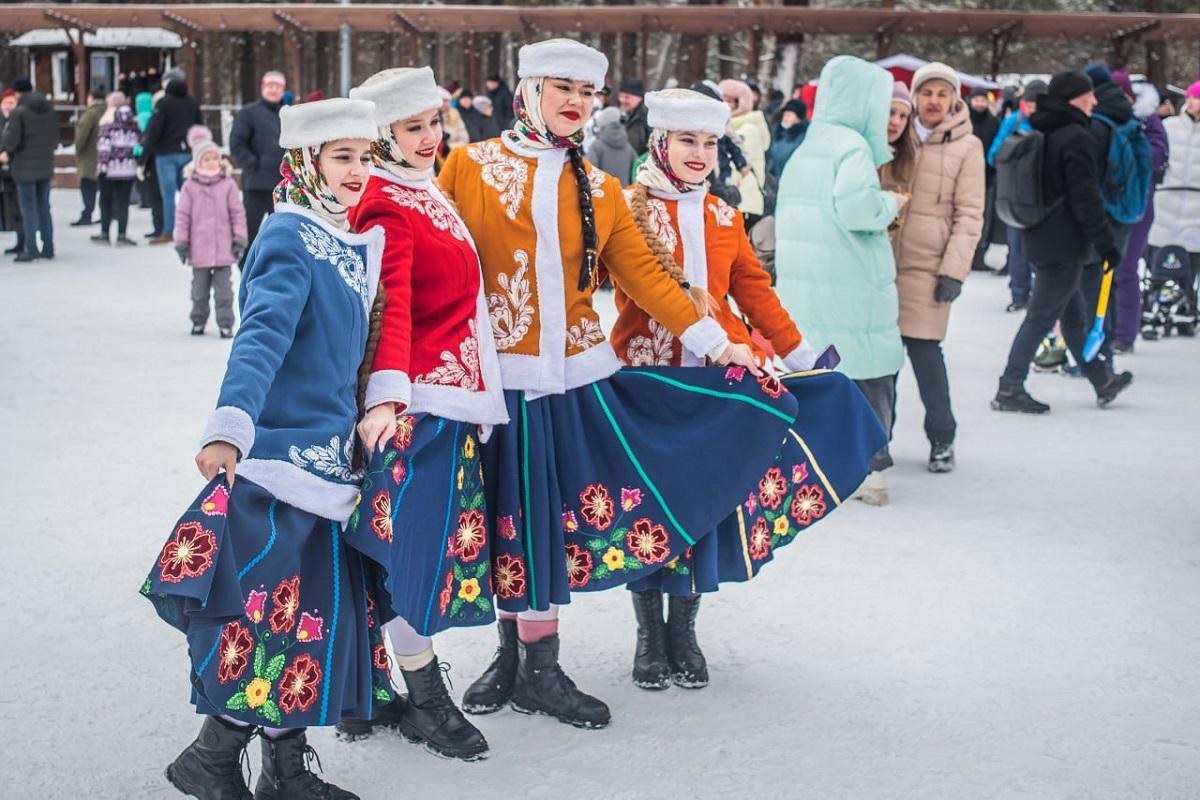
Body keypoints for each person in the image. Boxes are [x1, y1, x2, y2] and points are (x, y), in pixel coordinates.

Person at [438, 38, 795, 730]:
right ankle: (509, 658)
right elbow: (434, 261)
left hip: (569, 387)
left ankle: (541, 668)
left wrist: (724, 345)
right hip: (486, 384)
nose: (576, 103)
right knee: (496, 522)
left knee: (542, 526)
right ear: (530, 89)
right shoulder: (468, 165)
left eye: (588, 92)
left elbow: (651, 281)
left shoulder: (601, 190)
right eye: (563, 88)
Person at [140, 97, 383, 800]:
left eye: (365, 157)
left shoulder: (342, 239)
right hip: (281, 470)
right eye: (341, 157)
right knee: (267, 625)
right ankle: (211, 759)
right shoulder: (290, 236)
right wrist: (230, 427)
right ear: (305, 162)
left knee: (308, 622)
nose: (357, 171)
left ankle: (283, 769)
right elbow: (260, 337)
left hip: (331, 467)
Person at [609, 88, 882, 689]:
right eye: (687, 141)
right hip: (649, 380)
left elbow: (757, 295)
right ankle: (649, 636)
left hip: (720, 385)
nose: (700, 153)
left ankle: (684, 630)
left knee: (704, 502)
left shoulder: (724, 217)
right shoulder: (624, 210)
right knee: (647, 507)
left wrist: (802, 358)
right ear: (660, 143)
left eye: (710, 143)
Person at [334, 66, 509, 760]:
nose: (430, 136)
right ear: (382, 134)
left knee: (398, 552)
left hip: (444, 397)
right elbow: (392, 309)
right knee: (412, 558)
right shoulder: (385, 202)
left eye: (434, 121)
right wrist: (389, 399)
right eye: (413, 127)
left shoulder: (419, 187)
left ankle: (366, 690)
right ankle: (427, 701)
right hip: (417, 409)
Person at [777, 57, 907, 507]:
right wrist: (890, 204)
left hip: (809, 291)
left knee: (824, 380)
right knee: (871, 379)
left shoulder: (808, 146)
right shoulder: (852, 147)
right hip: (853, 291)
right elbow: (858, 210)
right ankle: (872, 471)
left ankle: (818, 466)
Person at [992, 71, 1133, 414]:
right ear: (1073, 97)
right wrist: (1106, 244)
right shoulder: (1075, 137)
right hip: (1063, 244)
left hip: (1041, 236)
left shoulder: (1045, 129)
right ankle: (1009, 387)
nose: (1094, 101)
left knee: (1072, 318)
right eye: (1089, 95)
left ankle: (1101, 379)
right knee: (1041, 317)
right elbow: (1085, 198)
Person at [884, 62, 984, 474]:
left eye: (943, 94)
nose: (934, 101)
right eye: (927, 93)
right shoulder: (896, 135)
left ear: (954, 100)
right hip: (883, 268)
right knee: (882, 362)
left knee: (926, 355)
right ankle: (878, 441)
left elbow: (970, 214)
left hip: (928, 270)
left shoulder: (967, 146)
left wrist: (953, 271)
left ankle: (943, 437)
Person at [1078, 62, 1147, 364]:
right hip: (1125, 212)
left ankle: (1095, 355)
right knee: (1111, 280)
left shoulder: (1097, 119)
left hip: (1102, 212)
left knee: (1089, 285)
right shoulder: (1127, 114)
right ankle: (1112, 343)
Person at [1112, 71, 1169, 352]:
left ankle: (1125, 333)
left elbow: (1158, 154)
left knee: (1125, 268)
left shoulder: (1146, 119)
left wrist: (1130, 150)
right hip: (1109, 203)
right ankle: (1102, 326)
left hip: (1138, 204)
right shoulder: (1103, 118)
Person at [174, 130, 247, 338]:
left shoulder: (228, 185)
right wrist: (181, 242)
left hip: (224, 249)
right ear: (198, 162)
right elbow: (182, 217)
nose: (212, 162)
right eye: (206, 159)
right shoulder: (190, 187)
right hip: (199, 250)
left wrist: (239, 239)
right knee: (199, 291)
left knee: (225, 292)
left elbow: (237, 214)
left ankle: (226, 323)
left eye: (215, 158)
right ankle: (198, 320)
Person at [1146, 80, 1200, 330]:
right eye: (1189, 97)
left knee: (1191, 261)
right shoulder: (1169, 127)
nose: (1191, 102)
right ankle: (1154, 300)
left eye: (1196, 98)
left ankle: (1186, 303)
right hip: (1166, 201)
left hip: (1195, 206)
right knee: (1159, 257)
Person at [989, 80, 1046, 310]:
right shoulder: (1013, 121)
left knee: (1043, 251)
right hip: (1016, 195)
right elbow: (994, 154)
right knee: (1018, 248)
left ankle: (1042, 297)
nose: (1032, 110)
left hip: (1044, 196)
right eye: (1028, 105)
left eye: (1037, 105)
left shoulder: (1053, 123)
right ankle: (1019, 294)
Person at [229, 70, 286, 264]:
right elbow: (237, 143)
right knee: (249, 231)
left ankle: (276, 268)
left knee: (280, 232)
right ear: (263, 87)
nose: (274, 90)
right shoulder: (248, 112)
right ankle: (245, 268)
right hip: (256, 183)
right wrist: (252, 163)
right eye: (270, 85)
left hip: (281, 186)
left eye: (278, 86)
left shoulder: (287, 114)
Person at [0, 77, 59, 262]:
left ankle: (31, 248)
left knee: (28, 209)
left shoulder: (19, 113)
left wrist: (6, 151)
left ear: (18, 92)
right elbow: (55, 138)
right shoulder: (49, 110)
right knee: (44, 208)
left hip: (24, 168)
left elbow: (12, 140)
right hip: (45, 166)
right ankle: (48, 247)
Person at [144, 76, 203, 243]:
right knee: (189, 193)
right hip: (187, 153)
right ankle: (191, 230)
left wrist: (145, 156)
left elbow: (154, 130)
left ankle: (169, 230)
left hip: (165, 154)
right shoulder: (192, 103)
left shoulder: (163, 104)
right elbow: (199, 125)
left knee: (168, 195)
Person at [719, 79, 771, 226]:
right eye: (723, 99)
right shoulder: (727, 126)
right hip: (734, 196)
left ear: (741, 103)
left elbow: (741, 162)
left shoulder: (749, 129)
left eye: (730, 101)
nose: (725, 104)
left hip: (745, 198)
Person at [91, 96, 140, 246]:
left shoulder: (108, 125)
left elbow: (104, 148)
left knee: (105, 201)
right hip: (128, 169)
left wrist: (101, 168)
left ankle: (105, 233)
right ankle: (122, 234)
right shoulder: (134, 126)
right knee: (123, 203)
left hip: (110, 170)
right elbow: (139, 145)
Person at [967, 87, 1000, 272]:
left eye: (983, 100)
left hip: (987, 178)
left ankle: (979, 256)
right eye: (976, 100)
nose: (979, 104)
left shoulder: (994, 122)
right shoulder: (964, 120)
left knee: (984, 219)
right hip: (966, 178)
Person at [73, 87, 107, 226]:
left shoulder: (90, 113)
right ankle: (107, 213)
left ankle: (87, 214)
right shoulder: (108, 111)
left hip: (89, 156)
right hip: (105, 156)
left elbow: (82, 136)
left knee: (87, 187)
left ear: (91, 98)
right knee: (105, 188)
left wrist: (78, 149)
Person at [134, 90, 165, 239]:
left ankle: (158, 227)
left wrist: (141, 160)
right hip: (159, 156)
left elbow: (147, 139)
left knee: (155, 194)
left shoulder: (149, 117)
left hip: (151, 158)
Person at [585, 105, 636, 185]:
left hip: (602, 191)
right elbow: (637, 169)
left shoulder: (597, 146)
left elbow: (589, 171)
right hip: (623, 191)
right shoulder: (628, 147)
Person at [0, 89, 23, 254]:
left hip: (17, 170)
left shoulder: (20, 120)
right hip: (3, 171)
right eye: (6, 103)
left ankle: (22, 239)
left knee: (18, 207)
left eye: (12, 103)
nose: (8, 106)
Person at [766, 97, 808, 180]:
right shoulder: (775, 133)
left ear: (799, 118)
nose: (786, 118)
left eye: (790, 115)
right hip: (771, 180)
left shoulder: (803, 138)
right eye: (785, 114)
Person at [619, 77, 651, 155]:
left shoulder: (647, 118)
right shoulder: (622, 114)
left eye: (627, 97)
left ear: (639, 98)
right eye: (621, 96)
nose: (622, 100)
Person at [440, 88, 469, 152]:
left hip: (455, 152)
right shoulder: (434, 119)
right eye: (443, 101)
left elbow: (464, 139)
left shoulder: (455, 114)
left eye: (448, 101)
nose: (446, 104)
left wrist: (449, 147)